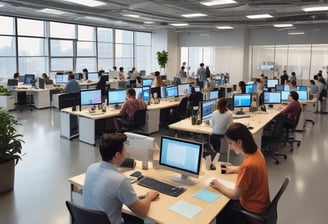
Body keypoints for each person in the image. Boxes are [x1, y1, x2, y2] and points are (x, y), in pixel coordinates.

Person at [83, 133, 159, 224]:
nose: (126, 152)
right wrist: (150, 196)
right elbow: (141, 211)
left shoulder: (91, 168)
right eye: (124, 149)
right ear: (117, 154)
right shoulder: (120, 180)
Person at [210, 122, 270, 224]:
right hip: (262, 207)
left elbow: (234, 195)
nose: (229, 147)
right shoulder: (256, 153)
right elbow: (249, 170)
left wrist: (218, 184)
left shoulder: (248, 165)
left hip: (252, 212)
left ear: (239, 142)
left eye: (230, 143)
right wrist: (233, 170)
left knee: (220, 208)